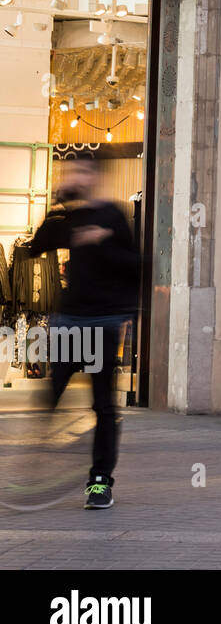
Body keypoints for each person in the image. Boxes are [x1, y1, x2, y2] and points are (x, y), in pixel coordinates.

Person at [27, 155, 138, 509]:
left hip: (104, 323)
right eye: (69, 172)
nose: (74, 177)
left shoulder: (113, 215)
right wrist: (59, 204)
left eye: (80, 171)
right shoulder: (66, 215)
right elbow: (36, 247)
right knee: (51, 396)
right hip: (68, 321)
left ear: (94, 175)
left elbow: (138, 264)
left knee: (103, 406)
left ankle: (100, 481)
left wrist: (103, 240)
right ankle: (38, 471)